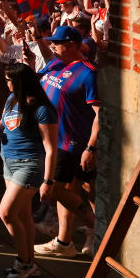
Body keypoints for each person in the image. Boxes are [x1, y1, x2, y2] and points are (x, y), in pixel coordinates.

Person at [0, 62, 58, 278]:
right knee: (23, 216)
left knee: (6, 213)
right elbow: (6, 120)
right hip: (9, 162)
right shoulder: (12, 98)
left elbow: (51, 148)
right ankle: (30, 263)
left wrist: (48, 181)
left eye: (8, 79)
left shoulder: (43, 109)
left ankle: (23, 262)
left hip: (29, 165)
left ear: (19, 81)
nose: (5, 83)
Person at [34, 25, 101, 258]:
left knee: (53, 191)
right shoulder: (55, 63)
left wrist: (91, 147)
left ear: (72, 45)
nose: (52, 45)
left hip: (70, 143)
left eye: (57, 42)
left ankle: (98, 229)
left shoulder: (88, 72)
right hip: (51, 139)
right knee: (68, 189)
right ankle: (64, 242)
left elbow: (100, 113)